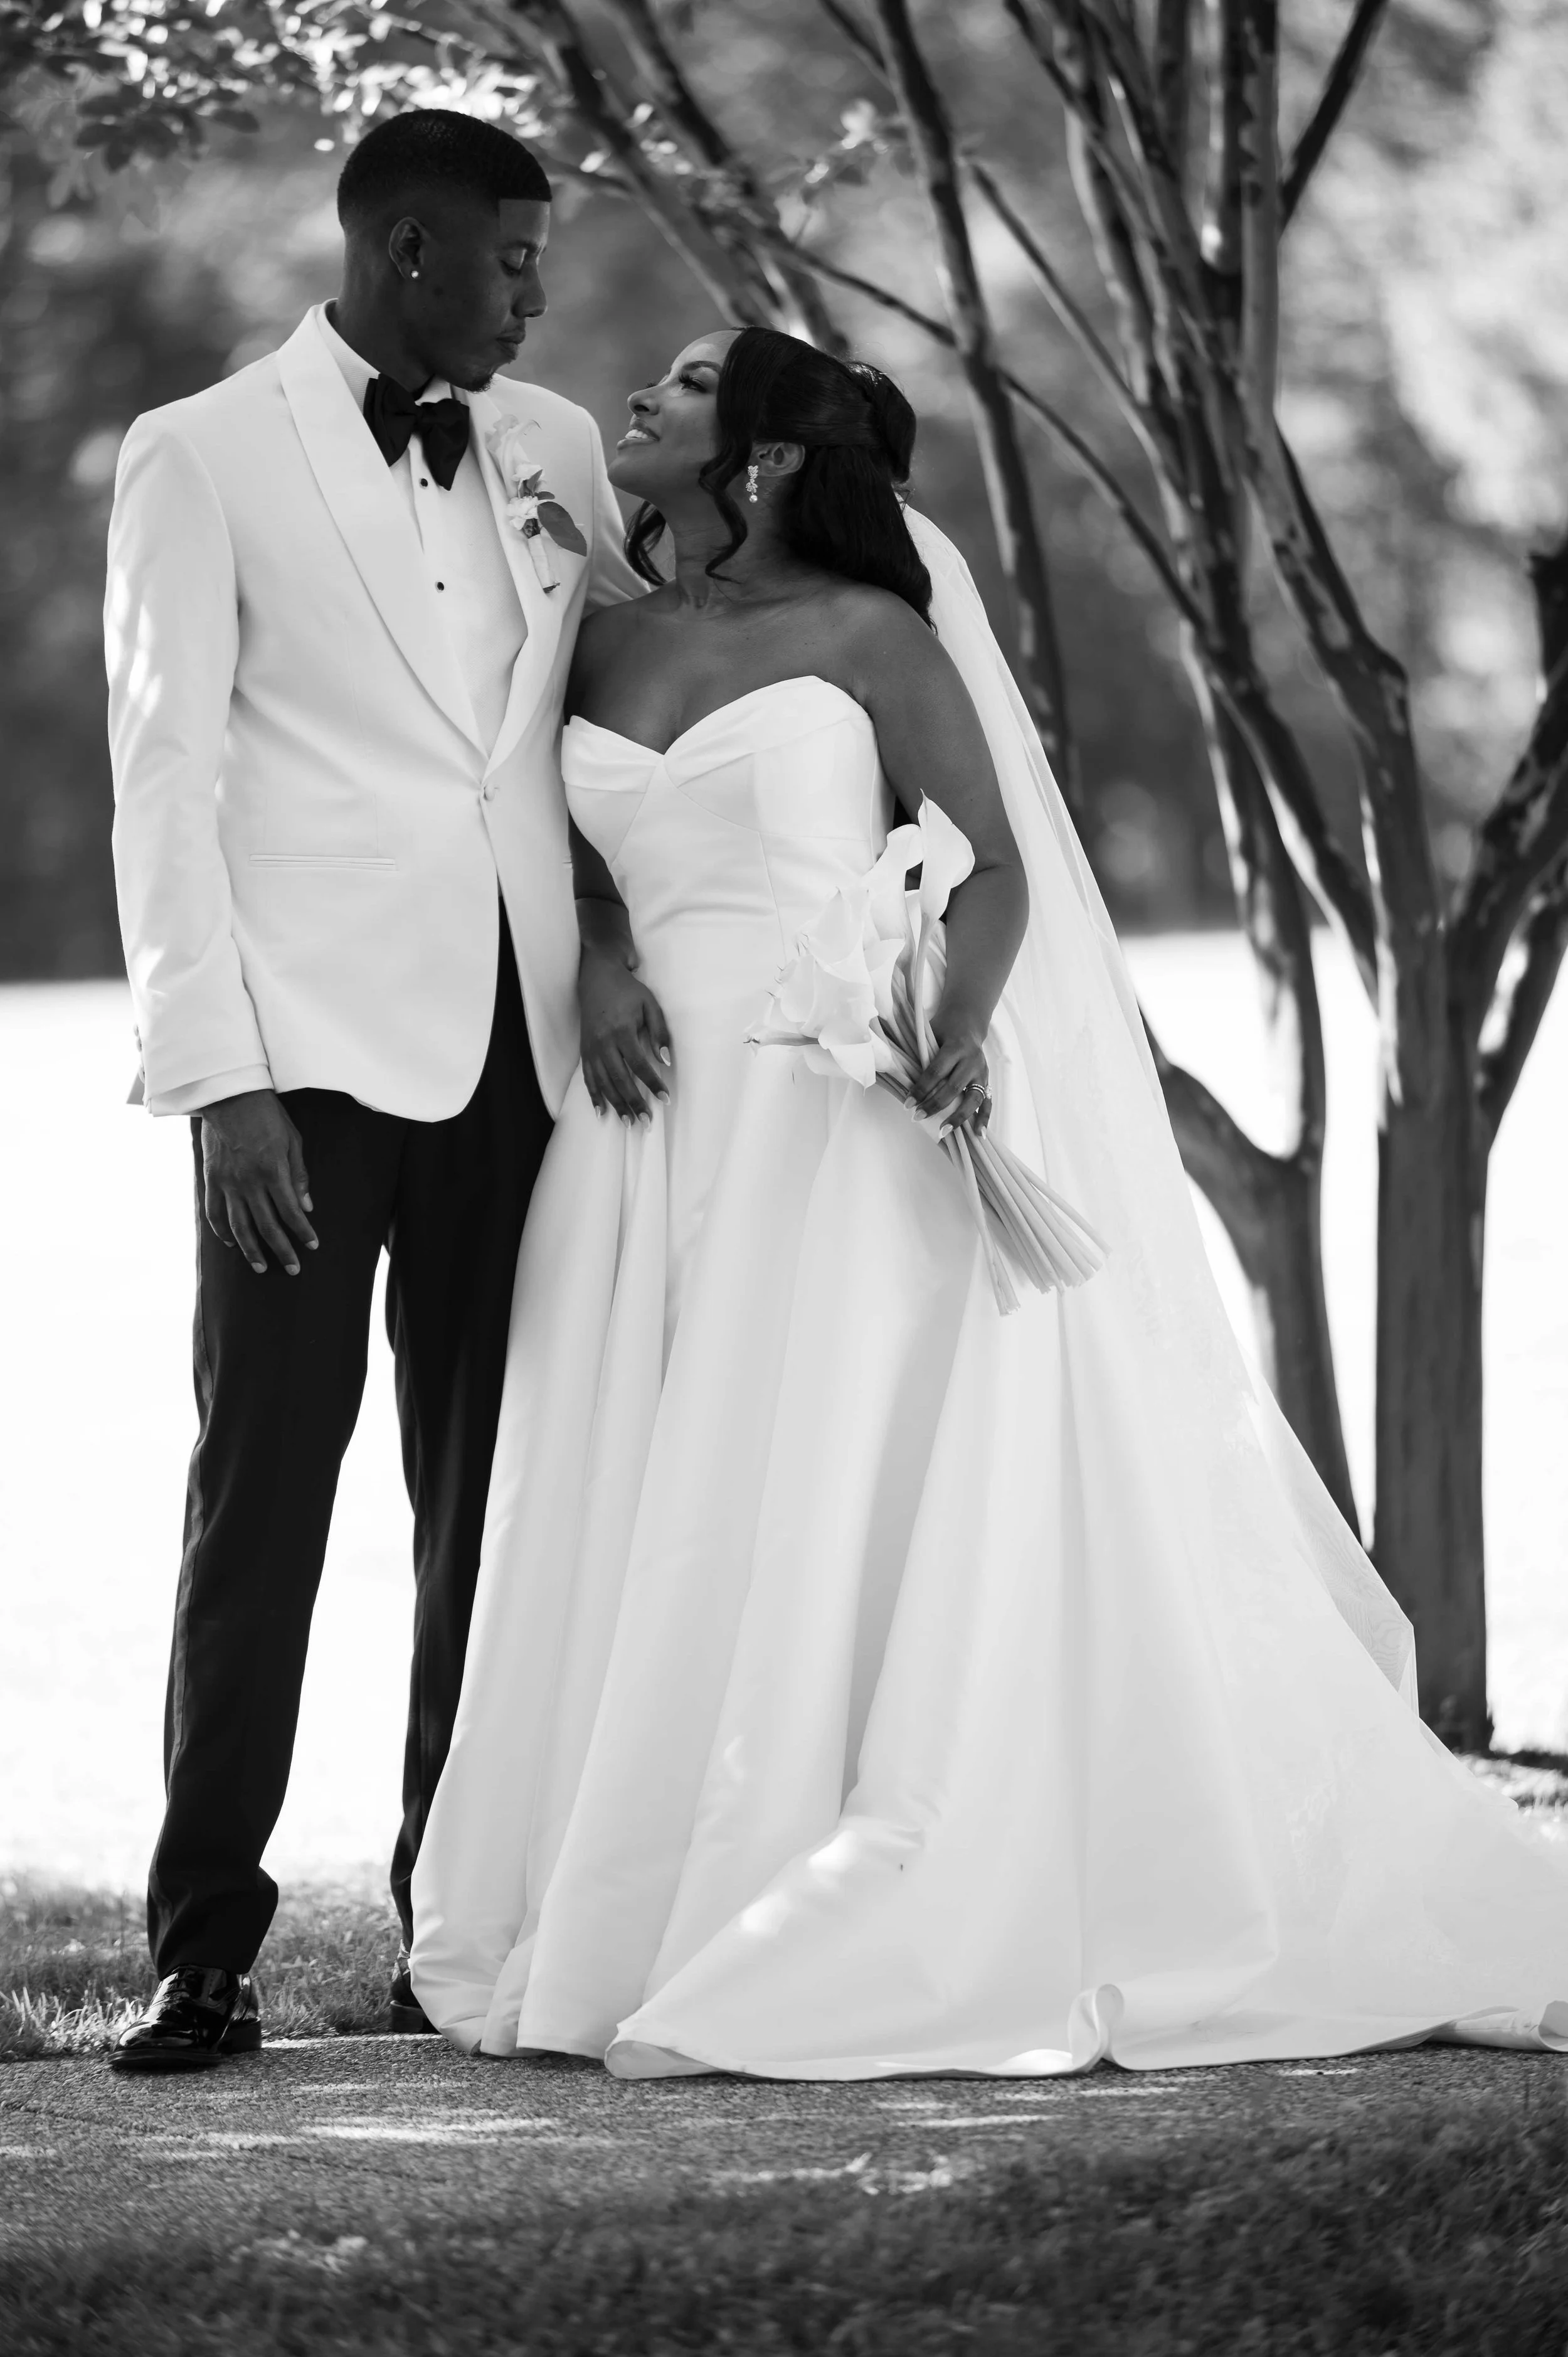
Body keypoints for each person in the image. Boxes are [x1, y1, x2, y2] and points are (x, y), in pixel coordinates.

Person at [409, 324, 1568, 2078]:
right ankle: (630, 1886)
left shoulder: (872, 636)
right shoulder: (601, 632)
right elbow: (560, 843)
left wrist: (947, 1031)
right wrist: (610, 955)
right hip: (639, 1120)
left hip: (829, 1119)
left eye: (689, 384)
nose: (639, 397)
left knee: (815, 1485)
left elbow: (998, 860)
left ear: (766, 458)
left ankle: (816, 1873)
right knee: (636, 1486)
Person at [104, 110, 640, 2072]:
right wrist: (217, 1077)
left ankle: (457, 1924)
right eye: (512, 261)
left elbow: (598, 719)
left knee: (486, 1508)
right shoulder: (200, 453)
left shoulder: (554, 445)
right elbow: (162, 783)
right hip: (303, 1073)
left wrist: (618, 939)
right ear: (408, 249)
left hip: (525, 1058)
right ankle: (202, 1947)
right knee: (262, 1496)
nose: (537, 297)